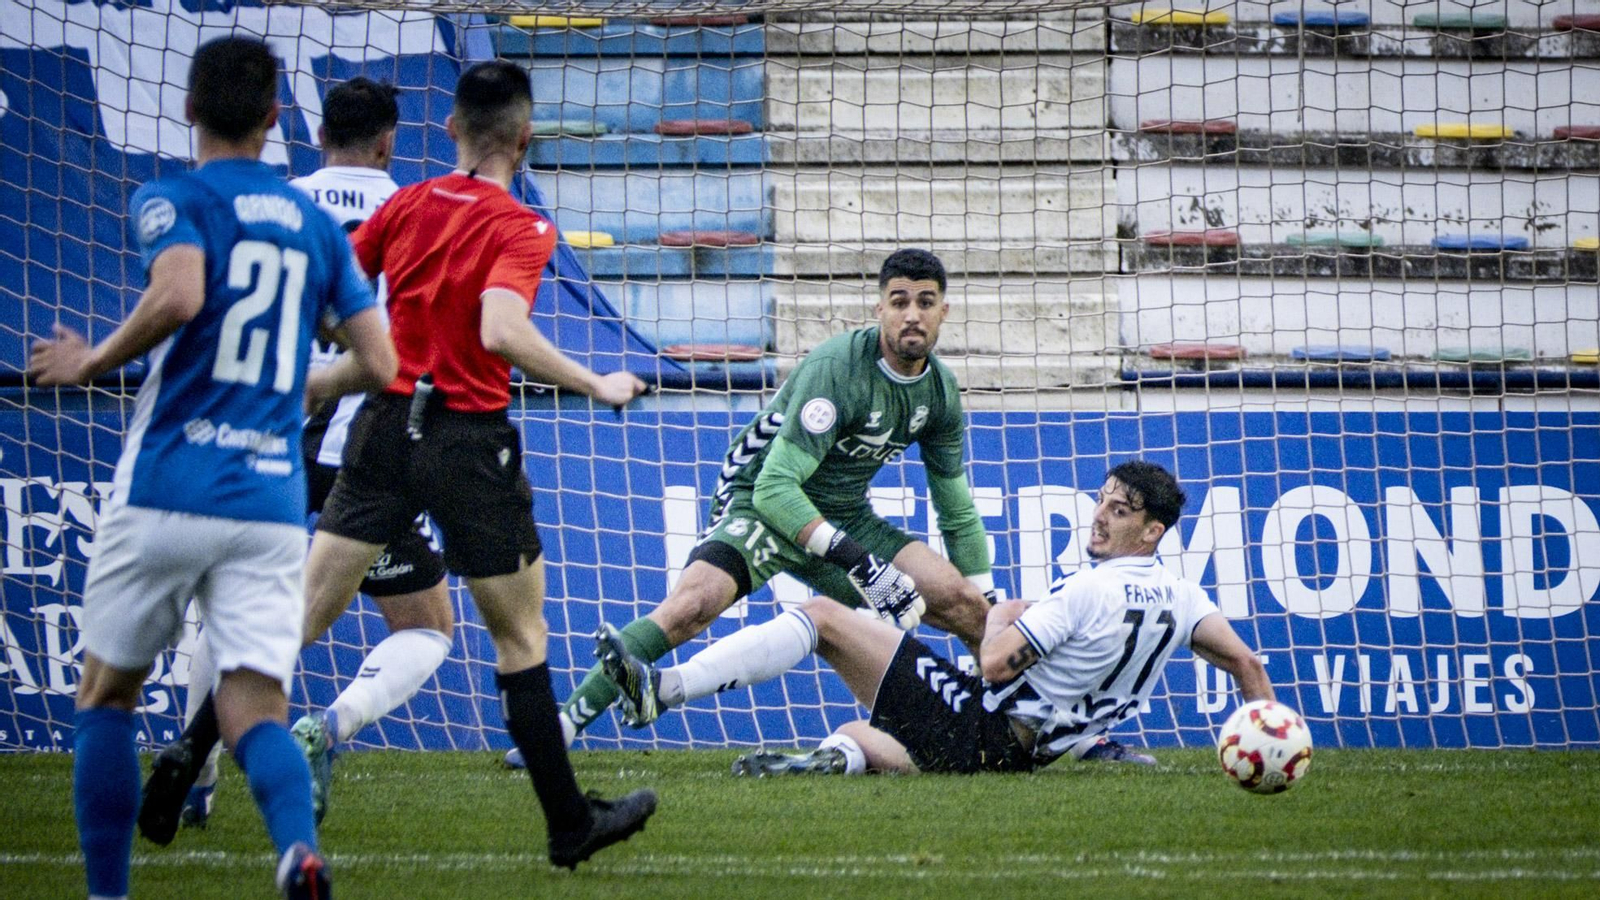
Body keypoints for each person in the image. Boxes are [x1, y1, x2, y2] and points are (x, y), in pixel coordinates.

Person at [28, 35, 397, 900]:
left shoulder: (174, 197)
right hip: (267, 499)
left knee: (107, 693)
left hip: (168, 481)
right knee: (252, 707)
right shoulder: (312, 226)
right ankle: (296, 852)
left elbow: (183, 292)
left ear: (187, 109)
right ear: (277, 118)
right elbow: (380, 364)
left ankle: (108, 892)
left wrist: (91, 362)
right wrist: (304, 384)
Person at [303, 59, 652, 869]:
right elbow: (500, 330)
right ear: (526, 139)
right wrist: (596, 378)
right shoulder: (521, 226)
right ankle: (570, 826)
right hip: (466, 438)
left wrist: (328, 370)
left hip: (383, 427)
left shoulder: (410, 202)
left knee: (300, 614)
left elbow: (335, 300)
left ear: (451, 128)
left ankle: (187, 758)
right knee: (519, 636)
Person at [525, 249, 996, 764]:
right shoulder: (837, 369)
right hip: (760, 502)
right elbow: (775, 486)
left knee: (966, 604)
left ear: (943, 311)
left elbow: (955, 506)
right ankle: (558, 730)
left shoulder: (940, 392)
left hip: (842, 513)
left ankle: (1006, 729)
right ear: (879, 308)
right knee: (692, 606)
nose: (912, 314)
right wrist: (859, 562)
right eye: (899, 301)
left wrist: (988, 596)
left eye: (926, 302)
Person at [139, 77, 455, 841]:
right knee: (427, 624)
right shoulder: (416, 214)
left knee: (236, 607)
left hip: (264, 437)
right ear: (389, 141)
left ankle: (196, 773)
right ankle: (325, 726)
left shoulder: (277, 206)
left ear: (317, 136)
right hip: (366, 450)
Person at [599, 461, 1275, 777]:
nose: (1099, 516)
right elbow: (1246, 665)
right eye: (1101, 501)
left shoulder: (1085, 593)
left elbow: (991, 660)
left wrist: (1009, 612)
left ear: (1151, 530)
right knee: (867, 728)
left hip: (985, 723)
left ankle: (660, 693)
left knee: (824, 616)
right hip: (1019, 756)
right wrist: (1269, 737)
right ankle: (829, 761)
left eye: (1119, 510)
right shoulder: (1186, 598)